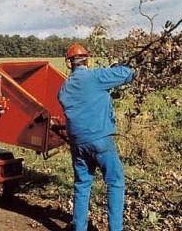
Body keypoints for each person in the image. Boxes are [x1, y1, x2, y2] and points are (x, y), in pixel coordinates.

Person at [57, 43, 134, 231]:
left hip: (77, 144)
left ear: (69, 64)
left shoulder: (63, 89)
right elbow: (129, 74)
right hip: (100, 141)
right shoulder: (96, 76)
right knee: (115, 181)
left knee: (82, 184)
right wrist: (118, 67)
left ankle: (79, 227)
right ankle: (116, 228)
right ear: (88, 61)